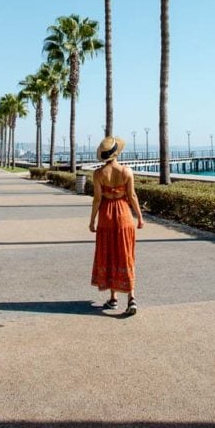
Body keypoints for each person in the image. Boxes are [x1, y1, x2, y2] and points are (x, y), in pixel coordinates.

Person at [89, 135, 144, 315]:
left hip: (106, 215)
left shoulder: (98, 174)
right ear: (116, 153)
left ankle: (113, 299)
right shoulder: (126, 172)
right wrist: (140, 217)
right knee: (125, 253)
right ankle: (131, 298)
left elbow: (97, 199)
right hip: (124, 215)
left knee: (109, 253)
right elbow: (132, 196)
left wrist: (92, 220)